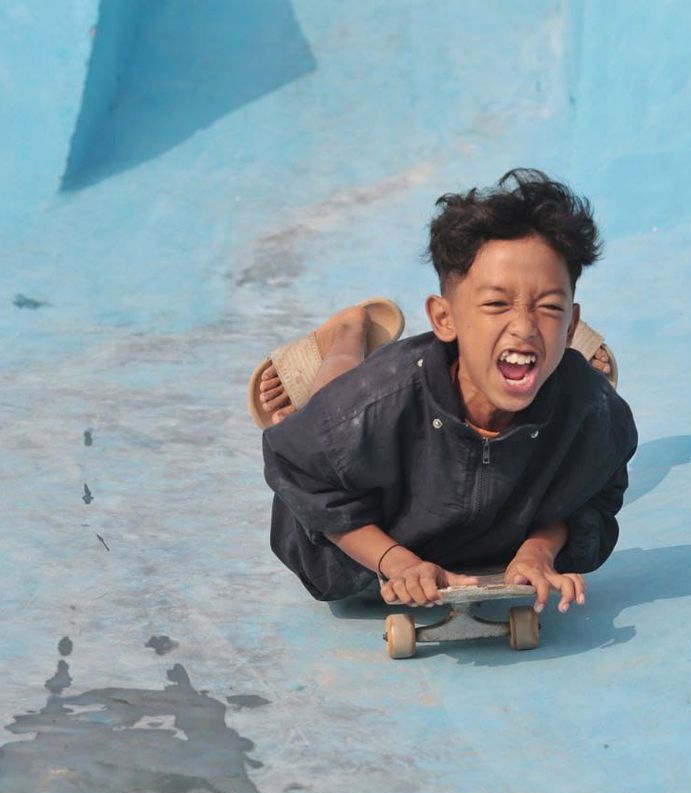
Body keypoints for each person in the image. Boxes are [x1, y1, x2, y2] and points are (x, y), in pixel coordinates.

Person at [253, 169, 637, 616]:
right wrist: (395, 561)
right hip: (372, 529)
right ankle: (348, 333)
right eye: (497, 304)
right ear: (443, 317)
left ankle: (544, 350)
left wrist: (539, 550)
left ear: (570, 327)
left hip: (497, 523)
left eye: (549, 308)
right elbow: (302, 472)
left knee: (580, 410)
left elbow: (593, 495)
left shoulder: (596, 413)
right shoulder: (378, 400)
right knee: (336, 418)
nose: (524, 326)